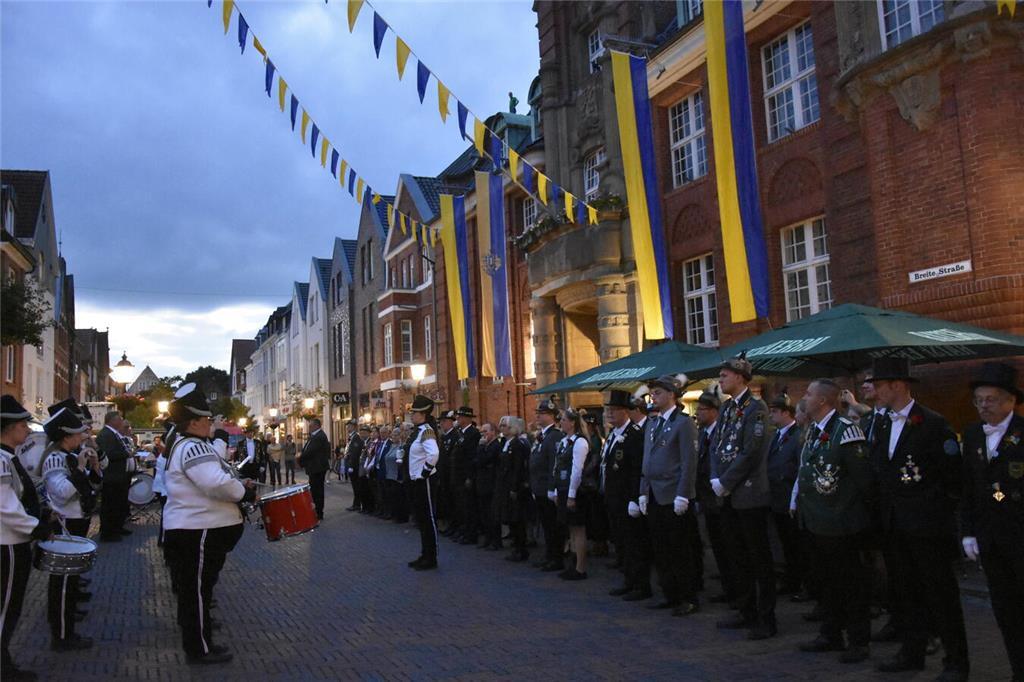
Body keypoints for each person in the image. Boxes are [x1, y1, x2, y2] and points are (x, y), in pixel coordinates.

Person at [869, 357, 968, 680]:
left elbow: (952, 480)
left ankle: (956, 662)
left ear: (898, 385)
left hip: (926, 529)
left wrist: (931, 514)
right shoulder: (883, 424)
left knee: (941, 596)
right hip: (894, 526)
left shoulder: (933, 423)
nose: (875, 392)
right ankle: (911, 652)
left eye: (879, 385)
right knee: (906, 593)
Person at [163, 383, 255, 665]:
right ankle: (199, 648)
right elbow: (215, 483)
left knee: (197, 590)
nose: (210, 423)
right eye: (206, 419)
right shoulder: (192, 447)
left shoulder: (189, 445)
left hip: (195, 528)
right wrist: (242, 491)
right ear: (193, 422)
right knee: (197, 592)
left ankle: (198, 641)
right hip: (197, 530)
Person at [795, 379, 874, 664]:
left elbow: (863, 479)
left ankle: (858, 640)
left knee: (850, 584)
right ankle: (830, 633)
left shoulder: (846, 430)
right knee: (827, 582)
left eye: (809, 394)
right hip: (816, 520)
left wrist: (852, 515)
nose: (804, 398)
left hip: (841, 522)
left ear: (823, 400)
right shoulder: (814, 430)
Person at [960, 362, 1023, 681]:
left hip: (1020, 536)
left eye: (991, 399)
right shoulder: (973, 434)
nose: (984, 405)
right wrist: (968, 532)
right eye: (979, 400)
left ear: (1011, 400)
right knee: (1006, 611)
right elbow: (968, 487)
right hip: (990, 538)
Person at [710, 354, 777, 640]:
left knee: (758, 558)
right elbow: (716, 444)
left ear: (740, 377)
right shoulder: (727, 408)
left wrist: (726, 481)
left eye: (724, 375)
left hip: (749, 493)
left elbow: (752, 450)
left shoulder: (756, 408)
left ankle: (766, 618)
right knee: (737, 556)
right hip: (728, 494)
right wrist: (716, 477)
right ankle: (745, 609)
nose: (720, 380)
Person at [637, 375, 700, 617]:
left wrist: (684, 494)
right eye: (652, 392)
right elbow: (647, 461)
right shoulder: (653, 423)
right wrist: (643, 491)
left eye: (658, 392)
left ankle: (688, 596)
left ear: (672, 395)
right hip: (654, 493)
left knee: (680, 549)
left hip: (673, 494)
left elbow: (688, 462)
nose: (653, 396)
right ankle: (669, 593)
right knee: (661, 548)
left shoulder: (683, 423)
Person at [2, 395, 51, 680]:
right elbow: (4, 506)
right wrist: (35, 527)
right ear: (9, 427)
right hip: (7, 543)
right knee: (6, 606)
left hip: (13, 540)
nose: (28, 430)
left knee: (10, 606)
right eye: (23, 425)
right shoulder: (1, 460)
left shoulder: (8, 457)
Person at [40, 407, 94, 651]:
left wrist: (92, 466)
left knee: (70, 583)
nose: (81, 437)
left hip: (75, 521)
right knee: (62, 585)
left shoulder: (68, 456)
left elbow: (90, 485)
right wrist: (80, 469)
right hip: (64, 524)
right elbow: (62, 493)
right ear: (65, 436)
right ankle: (62, 635)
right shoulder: (55, 459)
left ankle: (67, 628)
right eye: (77, 433)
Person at [602, 391, 647, 599]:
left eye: (614, 410)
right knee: (621, 542)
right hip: (614, 497)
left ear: (626, 411)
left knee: (634, 543)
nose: (610, 413)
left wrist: (634, 498)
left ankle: (640, 585)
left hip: (627, 498)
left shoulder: (634, 434)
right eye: (608, 410)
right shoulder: (614, 434)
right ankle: (629, 580)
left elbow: (636, 469)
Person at [694, 386, 734, 605]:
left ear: (713, 411)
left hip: (719, 498)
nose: (698, 413)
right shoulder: (703, 433)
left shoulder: (722, 432)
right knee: (718, 547)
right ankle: (728, 587)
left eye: (702, 409)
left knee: (728, 547)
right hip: (706, 499)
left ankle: (734, 590)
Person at [766, 394, 804, 595]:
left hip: (790, 497)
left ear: (786, 413)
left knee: (795, 544)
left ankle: (800, 582)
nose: (771, 416)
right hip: (776, 497)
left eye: (774, 412)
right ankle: (791, 580)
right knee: (785, 543)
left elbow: (798, 466)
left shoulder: (797, 436)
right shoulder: (775, 436)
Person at [549, 407, 591, 581]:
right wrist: (556, 490)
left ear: (572, 422)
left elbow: (577, 470)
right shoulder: (565, 442)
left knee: (578, 529)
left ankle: (580, 567)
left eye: (564, 420)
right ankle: (573, 564)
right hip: (563, 488)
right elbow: (557, 466)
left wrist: (572, 495)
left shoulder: (580, 442)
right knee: (570, 529)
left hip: (575, 490)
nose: (561, 423)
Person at [406, 396, 440, 571]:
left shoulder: (426, 431)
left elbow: (433, 454)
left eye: (414, 412)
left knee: (428, 518)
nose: (412, 415)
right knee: (421, 518)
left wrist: (424, 473)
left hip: (424, 480)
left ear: (422, 414)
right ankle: (424, 554)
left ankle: (431, 556)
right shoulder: (418, 432)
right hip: (416, 480)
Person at [530, 400, 563, 572]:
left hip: (547, 488)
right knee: (546, 525)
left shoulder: (554, 436)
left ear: (551, 416)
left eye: (541, 413)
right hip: (539, 487)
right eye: (538, 413)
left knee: (552, 526)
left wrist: (552, 488)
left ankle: (556, 558)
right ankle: (549, 555)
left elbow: (553, 465)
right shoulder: (543, 435)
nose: (538, 416)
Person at [495, 416, 531, 562]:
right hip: (505, 484)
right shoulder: (506, 443)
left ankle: (521, 549)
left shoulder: (517, 444)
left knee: (517, 518)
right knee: (510, 517)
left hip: (513, 486)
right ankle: (516, 547)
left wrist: (514, 487)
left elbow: (517, 467)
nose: (501, 428)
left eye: (504, 425)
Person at [97, 410, 132, 541]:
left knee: (118, 504)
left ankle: (117, 527)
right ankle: (108, 532)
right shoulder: (106, 435)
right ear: (112, 421)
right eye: (119, 419)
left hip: (118, 476)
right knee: (110, 506)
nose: (121, 421)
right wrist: (126, 454)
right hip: (111, 477)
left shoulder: (113, 434)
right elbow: (108, 454)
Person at [452, 407, 481, 545]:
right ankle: (464, 531)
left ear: (467, 418)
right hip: (458, 475)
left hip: (466, 475)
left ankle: (471, 534)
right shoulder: (460, 433)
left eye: (460, 417)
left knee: (469, 506)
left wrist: (470, 476)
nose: (458, 419)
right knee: (461, 506)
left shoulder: (473, 433)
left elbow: (471, 457)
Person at [474, 423, 502, 550]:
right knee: (484, 513)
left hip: (491, 484)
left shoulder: (495, 446)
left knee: (492, 514)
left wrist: (480, 447)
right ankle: (488, 538)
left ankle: (495, 540)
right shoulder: (486, 446)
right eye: (482, 432)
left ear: (493, 432)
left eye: (485, 431)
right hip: (483, 483)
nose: (483, 435)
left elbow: (483, 460)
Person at [298, 418, 331, 521]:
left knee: (317, 491)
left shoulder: (319, 436)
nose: (309, 428)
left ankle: (319, 512)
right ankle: (316, 510)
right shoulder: (314, 436)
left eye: (311, 426)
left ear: (317, 426)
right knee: (314, 490)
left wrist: (300, 457)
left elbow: (311, 451)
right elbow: (307, 448)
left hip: (318, 468)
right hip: (314, 467)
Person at [437, 410, 459, 536]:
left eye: (444, 421)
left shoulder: (454, 436)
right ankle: (450, 524)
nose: (441, 424)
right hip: (444, 474)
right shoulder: (444, 437)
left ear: (451, 422)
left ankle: (455, 525)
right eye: (441, 422)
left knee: (453, 501)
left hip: (451, 474)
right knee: (447, 501)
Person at [344, 423, 365, 510]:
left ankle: (357, 504)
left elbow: (355, 453)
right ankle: (356, 503)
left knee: (356, 485)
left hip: (354, 465)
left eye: (350, 426)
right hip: (350, 463)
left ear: (354, 427)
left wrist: (351, 466)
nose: (348, 428)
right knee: (354, 485)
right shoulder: (351, 437)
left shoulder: (356, 437)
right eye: (347, 426)